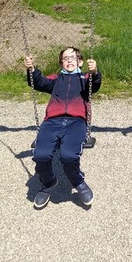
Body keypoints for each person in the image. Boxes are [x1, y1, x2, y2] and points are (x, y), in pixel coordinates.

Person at [24, 46, 101, 209]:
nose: (69, 61)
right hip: (52, 121)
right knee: (40, 156)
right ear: (61, 63)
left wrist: (94, 72)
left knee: (68, 156)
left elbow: (94, 85)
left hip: (76, 122)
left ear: (80, 61)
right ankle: (48, 182)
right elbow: (39, 82)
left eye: (73, 58)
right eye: (65, 58)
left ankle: (78, 182)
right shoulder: (56, 79)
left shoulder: (85, 78)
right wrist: (32, 70)